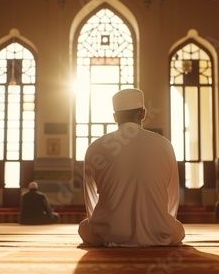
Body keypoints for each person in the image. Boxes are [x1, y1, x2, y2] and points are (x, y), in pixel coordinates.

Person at [78, 88, 185, 247]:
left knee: (84, 227)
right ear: (143, 114)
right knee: (178, 230)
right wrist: (162, 224)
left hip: (110, 232)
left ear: (115, 117)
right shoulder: (165, 145)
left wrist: (100, 225)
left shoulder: (95, 147)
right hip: (157, 231)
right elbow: (172, 195)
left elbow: (90, 197)